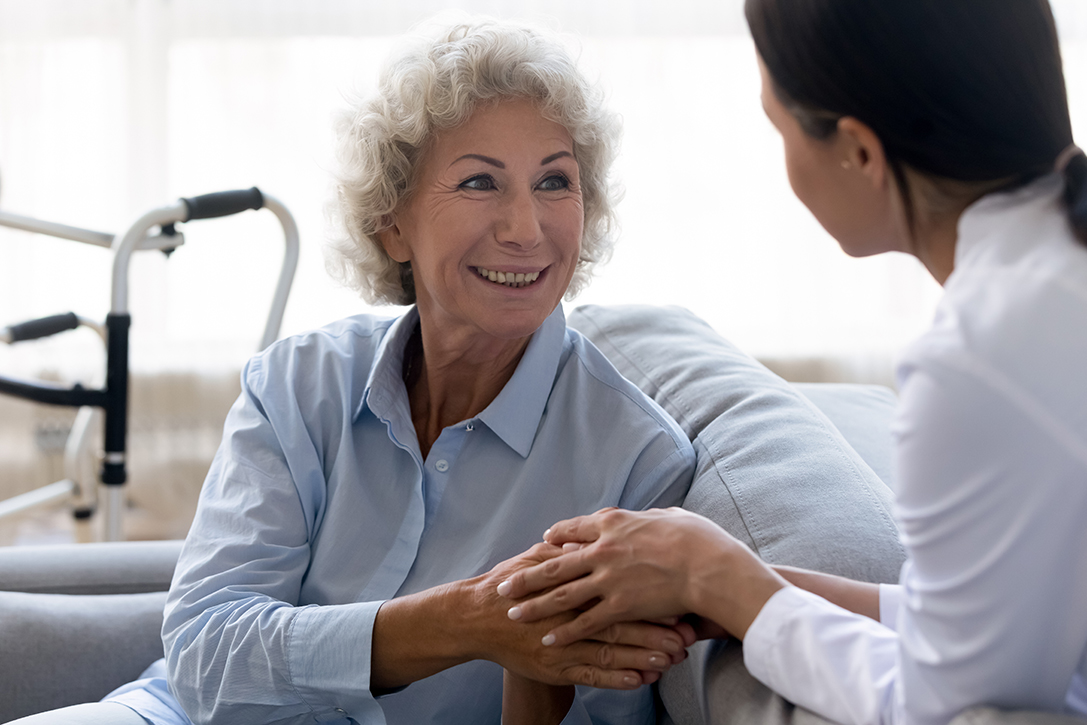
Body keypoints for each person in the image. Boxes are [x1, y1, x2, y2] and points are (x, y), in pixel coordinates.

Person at [12, 17, 697, 725]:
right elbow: (204, 654)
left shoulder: (635, 461)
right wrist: (463, 620)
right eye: (478, 183)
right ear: (390, 222)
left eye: (554, 180)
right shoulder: (296, 386)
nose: (525, 227)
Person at [499, 1, 1087, 723]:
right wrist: (739, 582)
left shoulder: (982, 358)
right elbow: (991, 634)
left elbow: (943, 703)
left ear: (859, 151)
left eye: (777, 127)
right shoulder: (1046, 285)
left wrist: (714, 575)